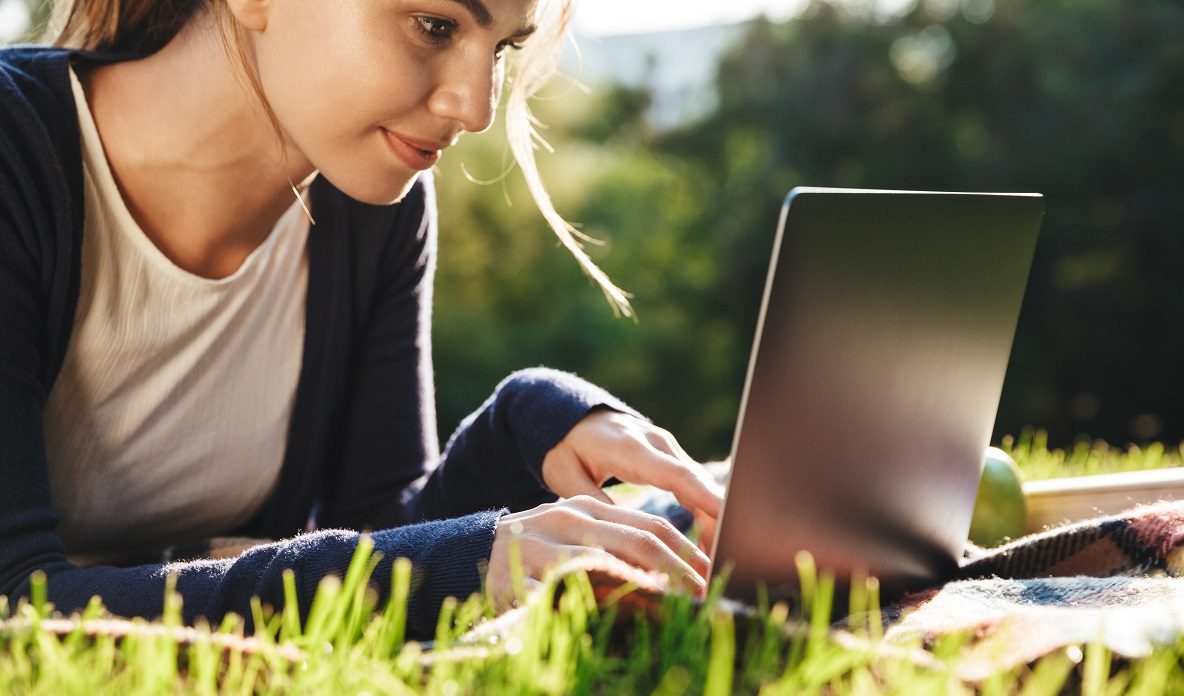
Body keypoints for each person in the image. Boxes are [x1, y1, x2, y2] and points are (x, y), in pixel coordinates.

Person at [0, 0, 723, 639]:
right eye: (435, 26)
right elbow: (18, 606)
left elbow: (383, 540)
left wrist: (525, 428)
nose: (475, 107)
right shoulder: (15, 153)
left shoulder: (371, 199)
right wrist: (461, 559)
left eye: (500, 48)